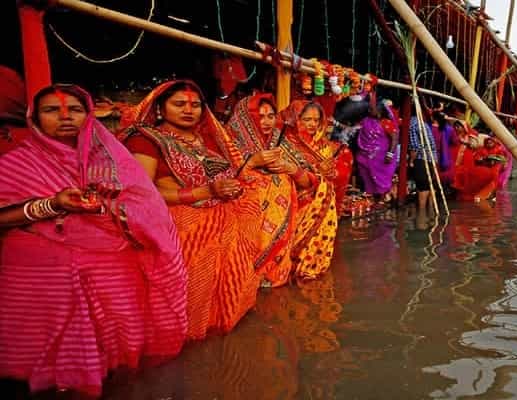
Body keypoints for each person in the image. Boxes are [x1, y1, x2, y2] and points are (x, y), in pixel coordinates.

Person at [0, 84, 187, 397]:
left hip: (110, 252)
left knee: (125, 272)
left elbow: (147, 205)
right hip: (40, 258)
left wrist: (107, 207)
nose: (65, 117)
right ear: (34, 118)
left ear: (88, 116)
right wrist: (54, 204)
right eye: (51, 110)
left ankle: (103, 372)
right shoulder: (17, 163)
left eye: (74, 109)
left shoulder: (114, 157)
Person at [120, 80, 294, 339]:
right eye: (179, 104)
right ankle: (190, 327)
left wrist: (241, 180)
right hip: (178, 213)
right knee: (202, 252)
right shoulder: (146, 140)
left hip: (225, 211)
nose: (188, 110)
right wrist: (206, 193)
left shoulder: (209, 139)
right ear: (160, 108)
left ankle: (224, 323)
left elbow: (231, 174)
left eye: (195, 105)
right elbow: (141, 194)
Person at [224, 93, 338, 283]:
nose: (267, 122)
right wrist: (252, 162)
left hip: (284, 209)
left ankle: (288, 266)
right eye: (260, 116)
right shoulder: (230, 144)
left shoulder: (278, 141)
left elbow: (309, 179)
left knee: (323, 189)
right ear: (245, 118)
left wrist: (293, 169)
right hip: (246, 213)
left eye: (270, 116)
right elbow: (225, 179)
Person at [280, 100, 353, 215]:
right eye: (307, 119)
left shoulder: (322, 144)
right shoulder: (284, 143)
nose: (313, 124)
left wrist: (331, 172)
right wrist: (317, 171)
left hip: (323, 207)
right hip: (295, 206)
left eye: (316, 120)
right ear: (294, 119)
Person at [355, 99, 399, 204]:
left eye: (372, 109)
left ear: (379, 111)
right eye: (369, 108)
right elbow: (353, 129)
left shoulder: (387, 123)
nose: (369, 110)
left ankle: (382, 199)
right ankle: (371, 200)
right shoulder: (365, 121)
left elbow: (394, 139)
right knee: (367, 179)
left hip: (382, 159)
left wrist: (390, 154)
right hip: (365, 156)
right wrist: (336, 123)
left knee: (381, 181)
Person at [409, 115, 439, 212]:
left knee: (423, 186)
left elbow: (415, 147)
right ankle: (430, 210)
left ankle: (421, 213)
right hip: (432, 158)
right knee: (430, 184)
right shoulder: (423, 123)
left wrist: (411, 161)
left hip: (422, 157)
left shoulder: (413, 124)